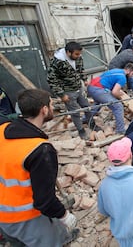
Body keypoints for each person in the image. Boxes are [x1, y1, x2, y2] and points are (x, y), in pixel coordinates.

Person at [0, 89, 77, 245]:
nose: (53, 106)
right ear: (44, 109)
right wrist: (64, 215)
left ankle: (62, 236)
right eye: (51, 103)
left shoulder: (3, 130)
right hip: (25, 216)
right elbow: (44, 201)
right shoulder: (40, 150)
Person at [47, 41, 98, 139]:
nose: (79, 56)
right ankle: (81, 131)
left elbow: (81, 69)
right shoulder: (57, 62)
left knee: (87, 106)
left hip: (79, 88)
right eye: (76, 54)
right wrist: (61, 94)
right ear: (68, 52)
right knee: (75, 112)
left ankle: (92, 124)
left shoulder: (78, 58)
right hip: (68, 92)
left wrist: (84, 79)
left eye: (79, 54)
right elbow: (52, 80)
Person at [87, 63, 133, 134]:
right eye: (132, 74)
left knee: (98, 102)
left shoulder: (117, 70)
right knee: (118, 106)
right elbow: (114, 92)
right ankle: (120, 130)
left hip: (92, 86)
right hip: (98, 89)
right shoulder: (122, 77)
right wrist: (119, 96)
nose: (132, 76)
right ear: (129, 71)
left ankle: (85, 118)